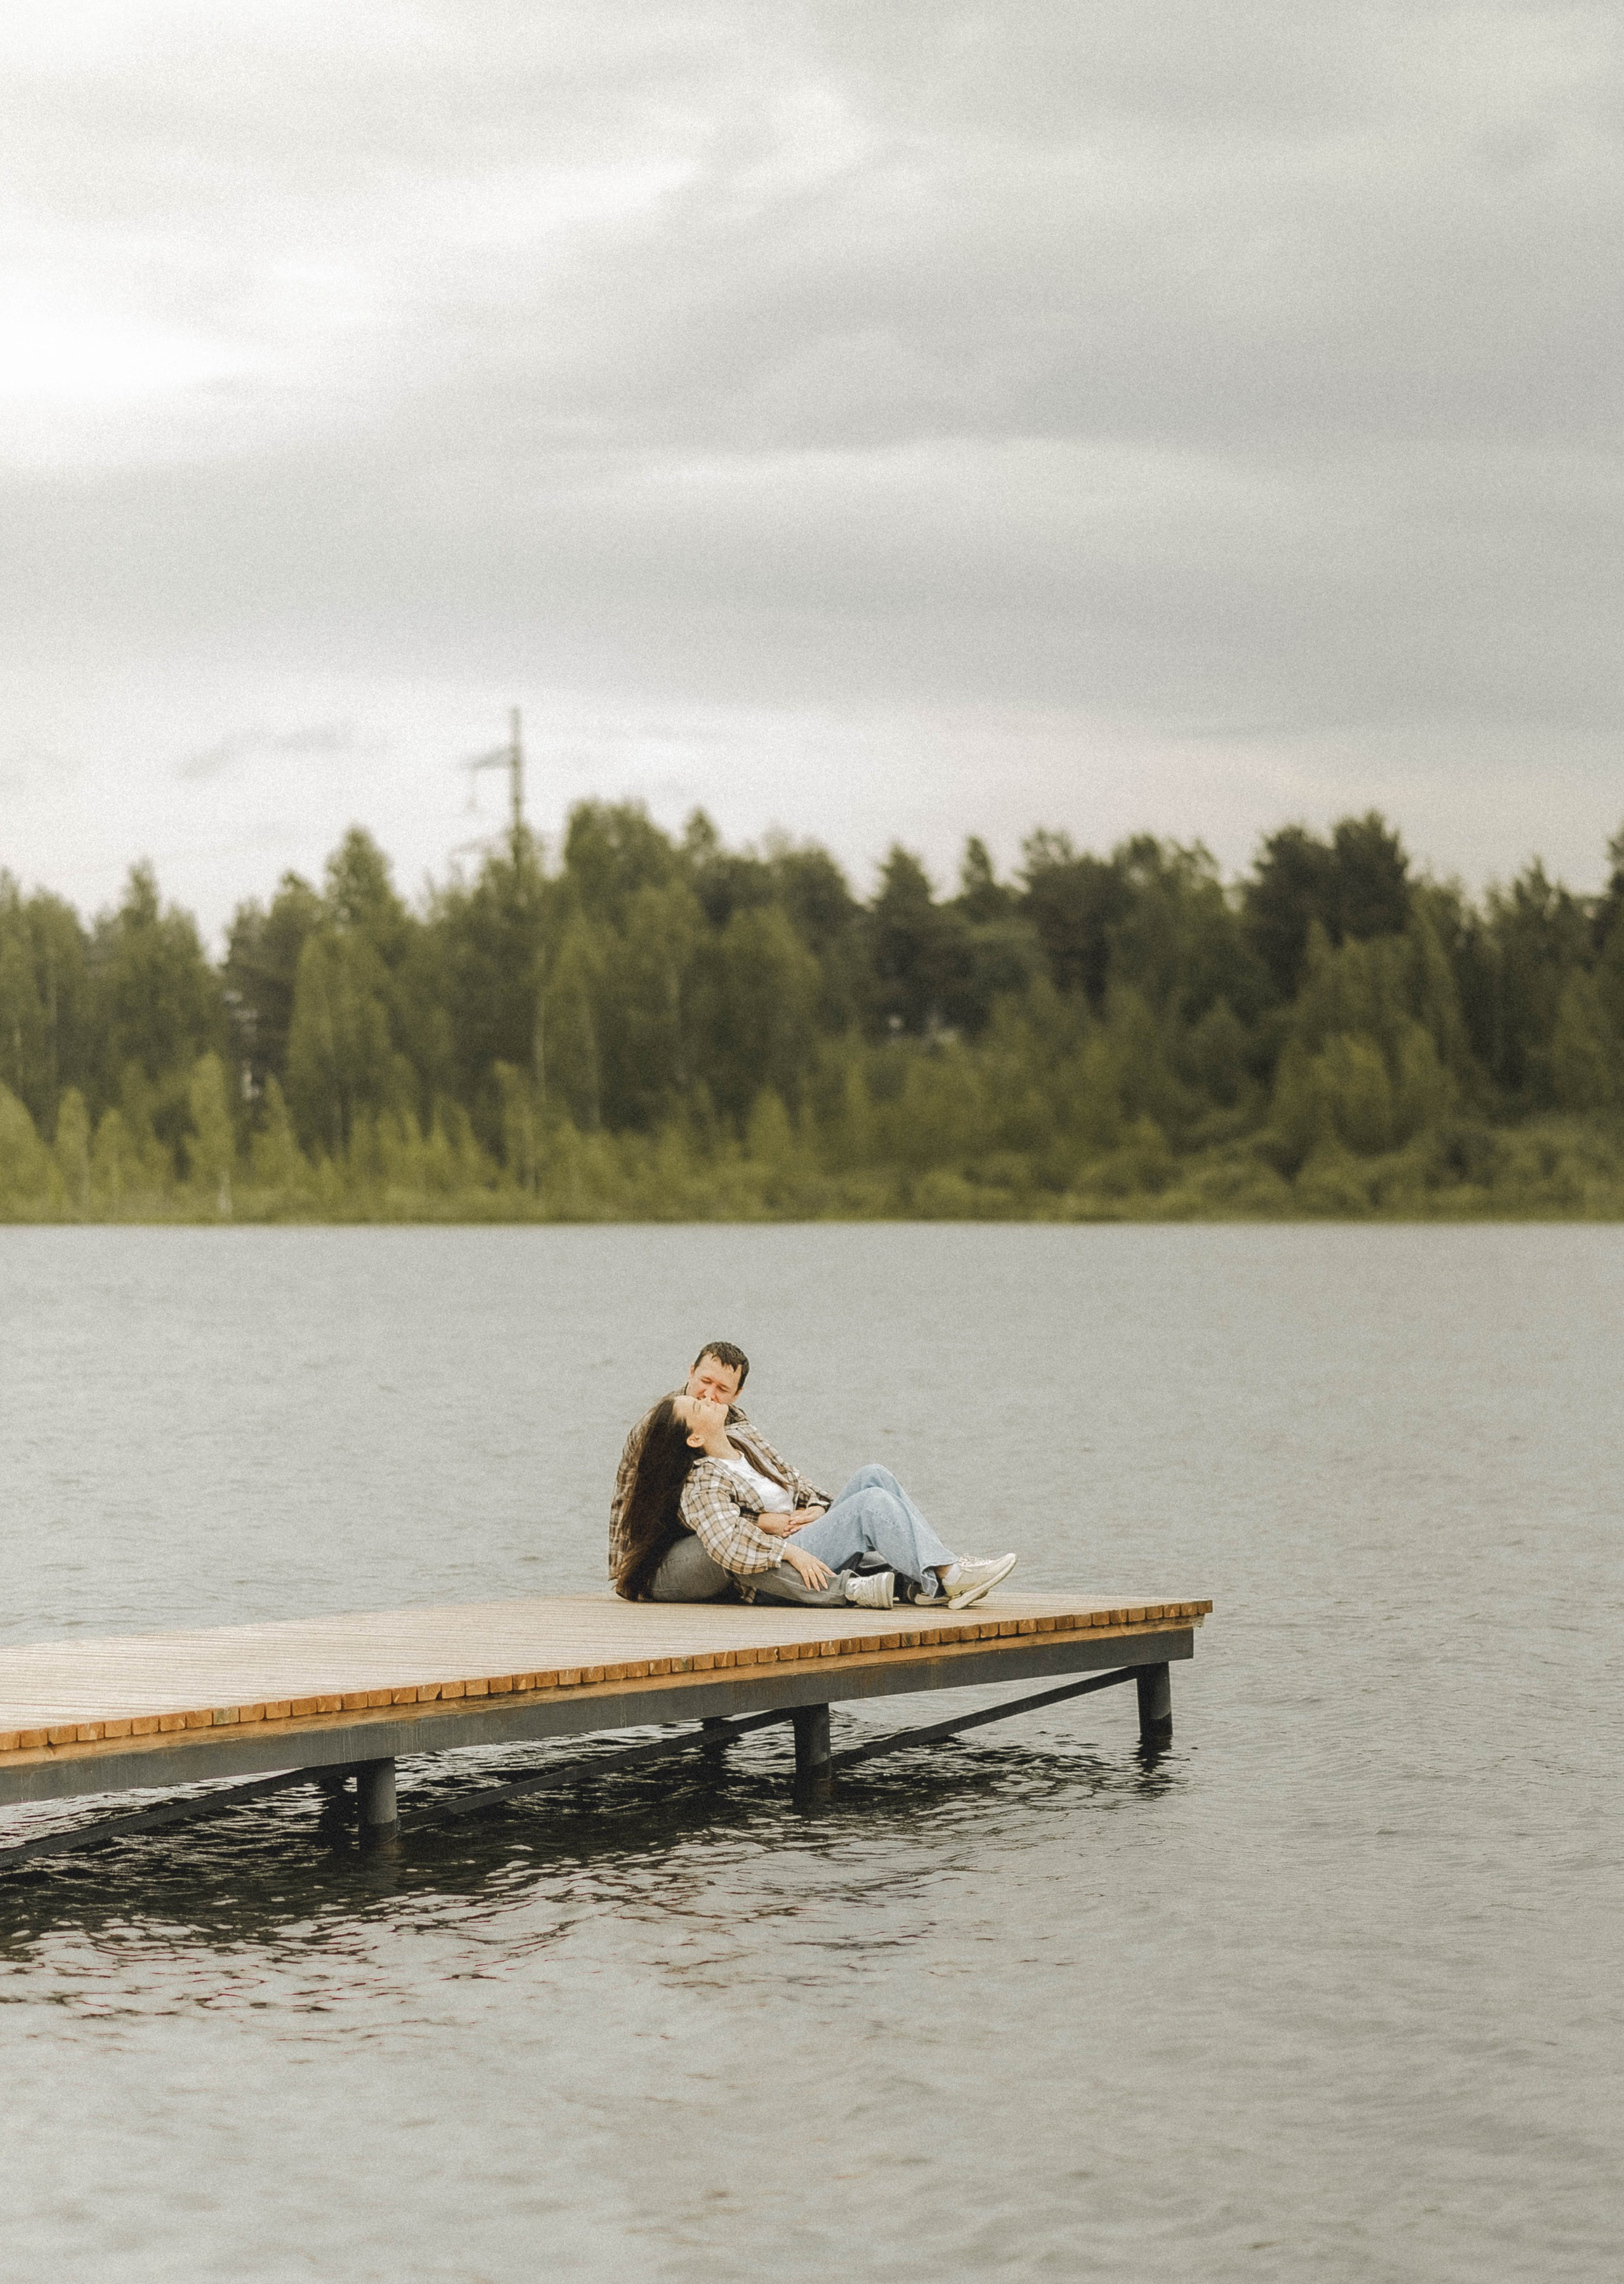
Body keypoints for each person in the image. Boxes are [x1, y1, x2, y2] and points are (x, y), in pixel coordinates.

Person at [611, 1353, 1018, 1613]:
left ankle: (935, 1576)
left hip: (793, 1531)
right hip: (747, 1559)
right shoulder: (686, 1459)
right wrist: (778, 1538)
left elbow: (795, 1481)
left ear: (737, 1393)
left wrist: (818, 1509)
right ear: (691, 1372)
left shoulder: (741, 1434)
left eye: (722, 1390)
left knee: (874, 1476)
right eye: (703, 1389)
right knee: (870, 1506)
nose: (710, 1397)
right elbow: (713, 1533)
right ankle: (948, 1576)